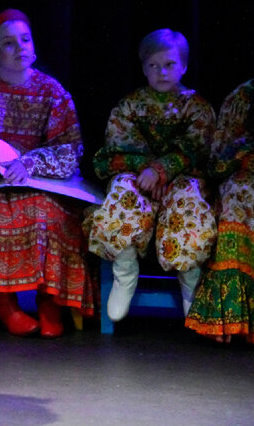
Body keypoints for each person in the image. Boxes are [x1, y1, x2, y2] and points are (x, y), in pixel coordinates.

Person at [0, 10, 96, 337]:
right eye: (8, 43)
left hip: (37, 184)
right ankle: (4, 305)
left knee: (44, 213)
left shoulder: (52, 92)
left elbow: (71, 147)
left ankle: (50, 303)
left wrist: (29, 163)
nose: (20, 47)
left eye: (25, 39)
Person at [86, 29, 216, 322]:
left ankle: (189, 280)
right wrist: (148, 171)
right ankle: (125, 270)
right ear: (144, 68)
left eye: (169, 64)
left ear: (183, 66)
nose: (162, 72)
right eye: (154, 65)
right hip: (139, 179)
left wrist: (162, 171)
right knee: (122, 193)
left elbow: (198, 147)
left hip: (181, 180)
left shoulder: (197, 107)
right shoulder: (129, 106)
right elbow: (116, 148)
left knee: (189, 200)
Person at [185, 78, 252, 342]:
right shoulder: (243, 98)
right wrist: (240, 150)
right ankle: (232, 320)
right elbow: (217, 164)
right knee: (238, 197)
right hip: (245, 178)